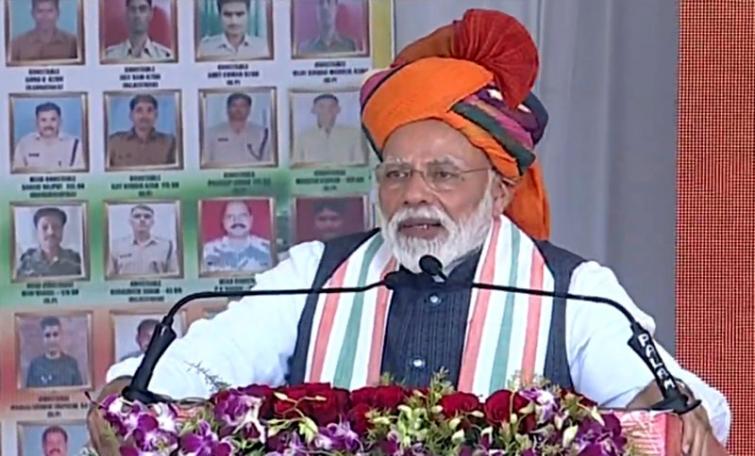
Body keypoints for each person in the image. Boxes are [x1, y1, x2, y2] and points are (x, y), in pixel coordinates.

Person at [93, 10, 730, 455]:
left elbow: (675, 400)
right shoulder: (314, 275)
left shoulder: (573, 291)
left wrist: (672, 411)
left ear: (500, 189)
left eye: (443, 174)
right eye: (396, 174)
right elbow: (206, 362)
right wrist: (132, 394)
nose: (415, 193)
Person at [107, 204, 179, 277]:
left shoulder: (167, 246)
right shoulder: (116, 246)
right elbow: (109, 277)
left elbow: (174, 277)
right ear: (130, 222)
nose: (142, 219)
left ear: (153, 222)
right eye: (137, 216)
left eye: (147, 216)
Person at [292, 93, 364, 165]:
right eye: (321, 106)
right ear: (313, 110)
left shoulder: (353, 134)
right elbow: (297, 164)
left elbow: (360, 163)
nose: (327, 110)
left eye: (332, 106)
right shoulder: (303, 137)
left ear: (338, 109)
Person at [107, 94, 176, 169]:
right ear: (131, 115)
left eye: (149, 110)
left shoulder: (170, 143)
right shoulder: (114, 142)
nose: (144, 116)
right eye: (139, 110)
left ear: (156, 115)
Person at [202, 200, 273, 273]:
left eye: (242, 215)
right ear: (223, 221)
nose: (237, 220)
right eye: (230, 216)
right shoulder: (206, 252)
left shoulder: (270, 250)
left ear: (251, 219)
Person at [13, 102, 85, 173]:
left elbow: (81, 175)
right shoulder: (24, 144)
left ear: (60, 121)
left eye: (53, 119)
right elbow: (17, 175)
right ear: (36, 122)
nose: (48, 124)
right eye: (43, 120)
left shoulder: (75, 144)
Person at [203, 93, 271, 167]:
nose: (238, 110)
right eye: (234, 105)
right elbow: (205, 162)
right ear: (227, 109)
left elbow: (267, 162)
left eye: (243, 106)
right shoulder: (212, 132)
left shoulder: (262, 133)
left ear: (249, 110)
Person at [16, 207, 82, 279]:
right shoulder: (25, 262)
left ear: (62, 230)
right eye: (45, 227)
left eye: (56, 227)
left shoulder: (76, 260)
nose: (51, 232)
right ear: (37, 231)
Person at [197, 0, 269, 60]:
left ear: (248, 15)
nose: (234, 21)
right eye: (227, 15)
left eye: (239, 14)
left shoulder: (263, 47)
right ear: (219, 16)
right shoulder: (204, 48)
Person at [9, 0, 78, 63]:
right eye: (40, 11)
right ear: (32, 14)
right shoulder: (17, 44)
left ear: (58, 13)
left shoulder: (73, 43)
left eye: (50, 11)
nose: (45, 16)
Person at [104, 0, 173, 61]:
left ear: (150, 14)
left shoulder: (166, 56)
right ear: (126, 14)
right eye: (133, 9)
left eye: (142, 9)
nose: (137, 15)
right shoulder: (110, 56)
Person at [26, 316, 83, 388]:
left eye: (55, 335)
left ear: (61, 336)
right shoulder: (35, 365)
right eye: (47, 335)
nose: (52, 340)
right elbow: (30, 394)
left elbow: (80, 393)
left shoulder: (71, 364)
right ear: (42, 338)